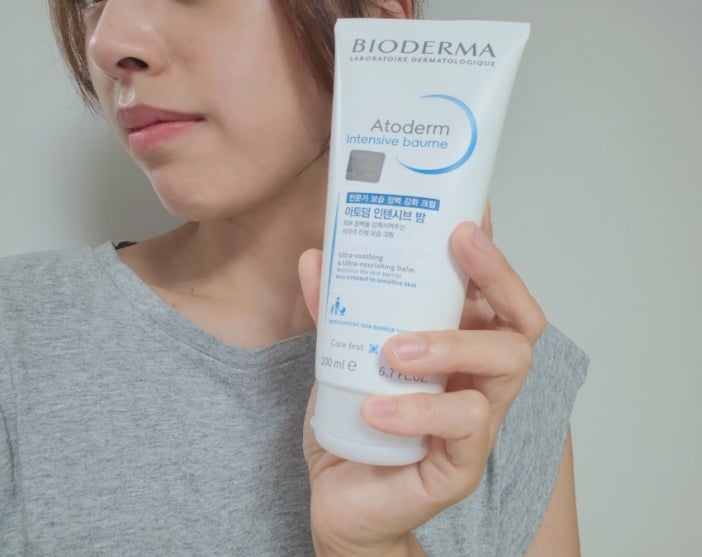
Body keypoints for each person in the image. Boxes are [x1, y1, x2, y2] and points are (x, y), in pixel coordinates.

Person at [0, 0, 588, 555]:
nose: (107, 42)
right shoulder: (17, 340)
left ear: (377, 24)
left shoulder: (493, 385)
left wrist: (371, 548)